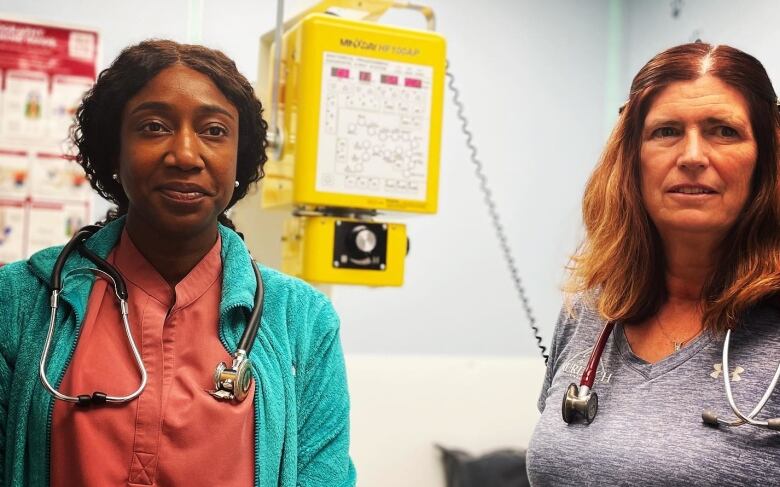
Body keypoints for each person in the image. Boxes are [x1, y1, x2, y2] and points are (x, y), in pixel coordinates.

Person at [0, 40, 356, 486]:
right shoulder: (19, 302)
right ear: (114, 151)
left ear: (239, 158)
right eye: (153, 127)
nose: (186, 155)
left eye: (214, 131)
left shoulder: (303, 320)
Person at [526, 42, 780, 486]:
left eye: (723, 130)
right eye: (666, 131)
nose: (693, 156)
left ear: (765, 159)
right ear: (632, 160)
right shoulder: (591, 309)